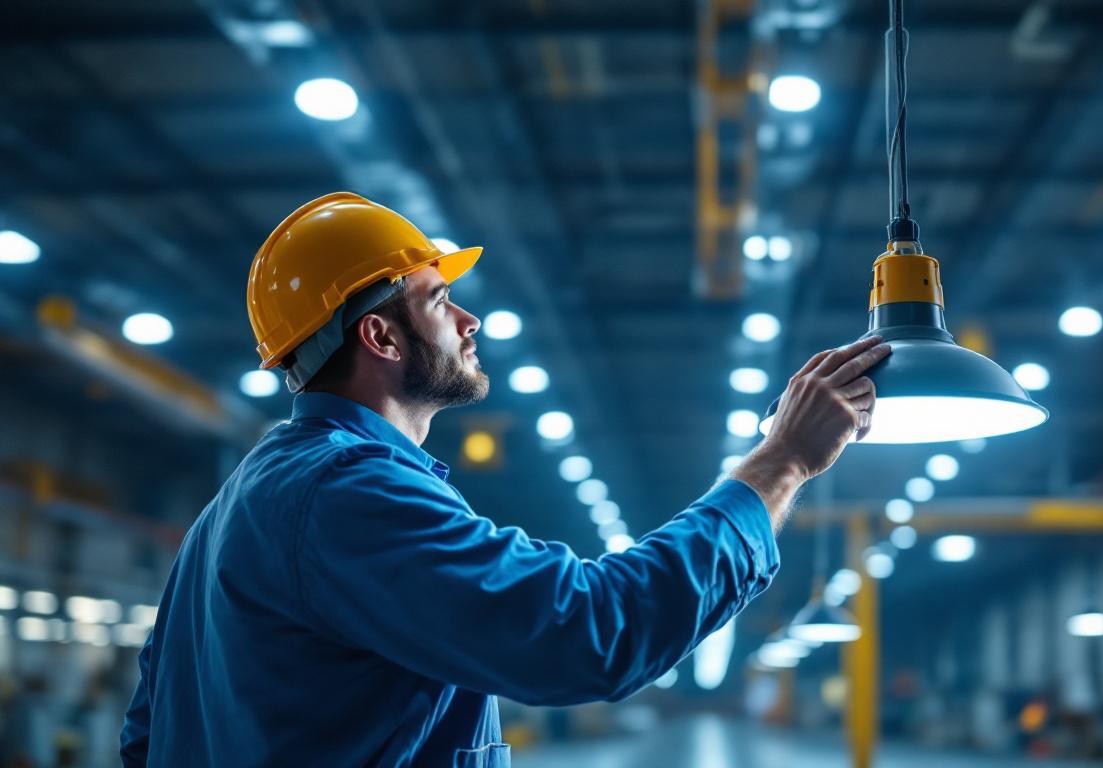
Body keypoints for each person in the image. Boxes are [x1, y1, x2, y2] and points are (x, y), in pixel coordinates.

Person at [120, 192, 889, 767]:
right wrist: (781, 462)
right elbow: (588, 631)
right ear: (380, 335)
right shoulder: (347, 494)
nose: (468, 322)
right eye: (440, 299)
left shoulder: (235, 509)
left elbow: (147, 734)